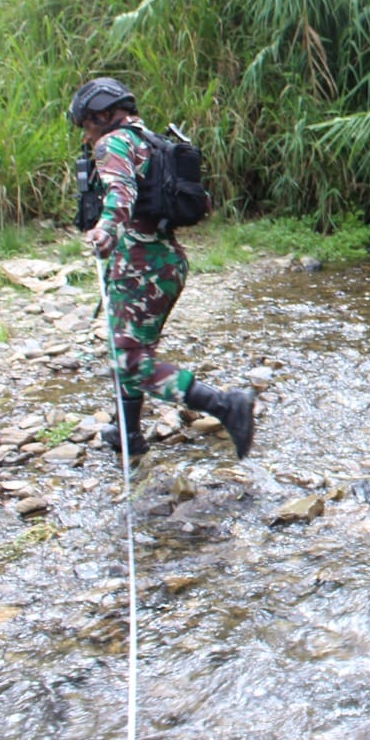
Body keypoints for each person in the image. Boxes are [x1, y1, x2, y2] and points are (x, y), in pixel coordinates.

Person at [69, 77, 255, 461]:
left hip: (139, 265)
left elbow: (121, 193)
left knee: (131, 361)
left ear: (104, 114)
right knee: (130, 347)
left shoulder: (113, 143)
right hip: (165, 262)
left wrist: (105, 228)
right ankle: (129, 434)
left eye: (87, 124)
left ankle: (226, 406)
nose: (87, 136)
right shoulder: (150, 141)